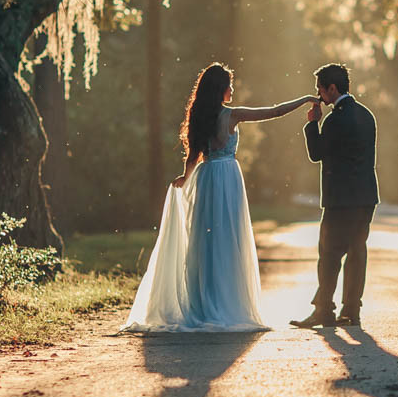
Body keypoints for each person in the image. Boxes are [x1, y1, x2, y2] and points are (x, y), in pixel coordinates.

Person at [121, 63, 316, 333]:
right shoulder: (232, 115)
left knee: (205, 240)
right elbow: (274, 111)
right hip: (227, 178)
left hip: (206, 178)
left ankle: (203, 301)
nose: (232, 89)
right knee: (227, 237)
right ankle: (224, 301)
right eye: (229, 84)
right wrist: (305, 99)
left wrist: (185, 178)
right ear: (221, 89)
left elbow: (192, 158)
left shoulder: (199, 115)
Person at [290, 63, 379, 329]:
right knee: (356, 253)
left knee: (328, 255)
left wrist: (312, 124)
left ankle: (324, 311)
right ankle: (351, 311)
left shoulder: (334, 120)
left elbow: (316, 153)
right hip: (365, 197)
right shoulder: (367, 115)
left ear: (332, 88)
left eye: (320, 89)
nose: (318, 95)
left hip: (340, 200)